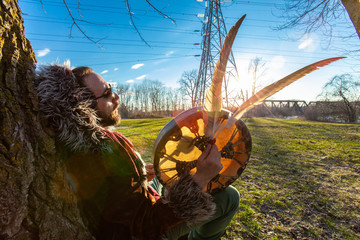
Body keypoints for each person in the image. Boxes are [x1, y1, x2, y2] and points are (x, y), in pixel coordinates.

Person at [35, 63, 240, 240]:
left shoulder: (81, 143)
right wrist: (199, 180)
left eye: (111, 89)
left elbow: (114, 192)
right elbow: (143, 228)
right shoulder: (100, 150)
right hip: (150, 230)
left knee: (161, 178)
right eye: (107, 94)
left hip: (141, 202)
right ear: (83, 105)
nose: (116, 97)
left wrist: (139, 173)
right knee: (230, 197)